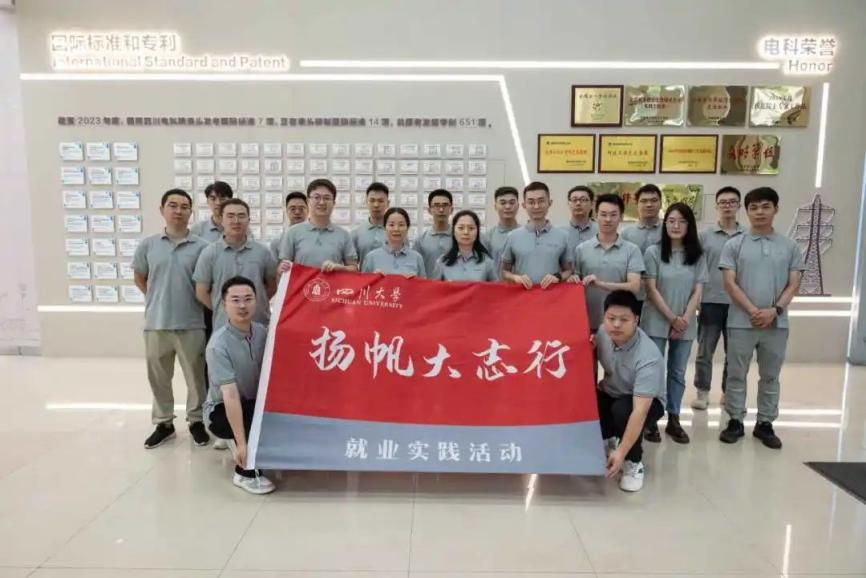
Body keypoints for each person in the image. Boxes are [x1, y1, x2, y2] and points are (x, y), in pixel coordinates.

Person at [719, 187, 804, 449]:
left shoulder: (789, 246)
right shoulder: (734, 245)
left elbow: (794, 283)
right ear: (746, 211)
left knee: (770, 376)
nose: (759, 212)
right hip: (740, 322)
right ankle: (735, 420)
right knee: (736, 374)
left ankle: (765, 423)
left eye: (765, 206)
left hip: (776, 324)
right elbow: (730, 283)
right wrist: (753, 311)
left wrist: (774, 310)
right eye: (753, 207)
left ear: (776, 209)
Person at [133, 189, 210, 449]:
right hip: (156, 323)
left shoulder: (203, 247)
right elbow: (140, 277)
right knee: (158, 377)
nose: (178, 211)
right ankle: (164, 422)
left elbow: (205, 284)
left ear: (191, 212)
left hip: (192, 323)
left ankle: (196, 421)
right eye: (173, 205)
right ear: (162, 210)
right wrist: (158, 298)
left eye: (184, 206)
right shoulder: (148, 245)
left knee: (196, 378)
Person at [640, 203, 708, 444]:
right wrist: (672, 318)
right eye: (671, 221)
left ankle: (674, 418)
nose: (676, 225)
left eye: (681, 221)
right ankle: (650, 420)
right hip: (656, 320)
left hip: (685, 322)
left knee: (677, 372)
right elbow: (651, 289)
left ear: (689, 225)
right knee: (654, 372)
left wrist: (685, 319)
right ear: (665, 224)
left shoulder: (697, 255)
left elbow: (698, 290)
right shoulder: (653, 252)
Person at [204, 276, 275, 494]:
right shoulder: (218, 345)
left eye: (248, 299)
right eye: (235, 300)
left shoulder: (262, 332)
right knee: (252, 420)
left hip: (252, 403)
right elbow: (230, 396)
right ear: (224, 304)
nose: (242, 305)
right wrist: (243, 444)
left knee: (270, 416)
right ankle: (243, 473)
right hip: (221, 409)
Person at [594, 290, 666, 492]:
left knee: (623, 410)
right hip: (612, 392)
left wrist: (622, 452)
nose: (616, 325)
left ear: (636, 320)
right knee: (588, 398)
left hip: (644, 403)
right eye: (611, 318)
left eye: (624, 319)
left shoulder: (648, 356)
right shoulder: (602, 333)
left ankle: (633, 462)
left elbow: (640, 410)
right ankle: (610, 439)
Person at [692, 186, 744, 410]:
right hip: (710, 301)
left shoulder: (747, 236)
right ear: (716, 206)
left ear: (739, 206)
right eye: (723, 202)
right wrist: (696, 297)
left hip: (738, 303)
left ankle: (728, 392)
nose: (727, 206)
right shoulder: (704, 236)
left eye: (732, 202)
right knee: (705, 351)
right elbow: (696, 267)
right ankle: (702, 392)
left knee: (734, 352)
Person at [194, 198, 278, 330]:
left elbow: (272, 286)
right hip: (223, 326)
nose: (236, 221)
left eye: (241, 216)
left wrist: (252, 304)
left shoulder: (263, 252)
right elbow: (201, 292)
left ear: (249, 220)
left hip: (259, 324)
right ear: (221, 219)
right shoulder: (209, 253)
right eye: (230, 216)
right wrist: (225, 308)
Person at [571, 193, 644, 334]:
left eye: (613, 215)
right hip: (587, 322)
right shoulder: (581, 249)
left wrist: (601, 284)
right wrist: (572, 279)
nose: (608, 219)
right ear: (595, 216)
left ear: (621, 217)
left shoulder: (632, 250)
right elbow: (575, 284)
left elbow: (634, 286)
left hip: (619, 325)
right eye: (603, 214)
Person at [500, 181, 573, 289]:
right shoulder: (513, 236)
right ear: (524, 205)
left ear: (550, 203)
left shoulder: (563, 236)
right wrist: (515, 278)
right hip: (522, 295)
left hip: (552, 295)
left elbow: (569, 271)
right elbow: (504, 272)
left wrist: (557, 277)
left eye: (541, 201)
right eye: (531, 202)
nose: (536, 206)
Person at [278, 178, 359, 273]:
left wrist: (339, 268)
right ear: (308, 201)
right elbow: (283, 269)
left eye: (327, 198)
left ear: (334, 203)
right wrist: (281, 269)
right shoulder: (292, 232)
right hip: (303, 283)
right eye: (317, 197)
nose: (322, 202)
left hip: (332, 283)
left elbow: (354, 269)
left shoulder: (344, 235)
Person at [622, 184, 663, 311]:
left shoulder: (669, 231)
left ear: (661, 203)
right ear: (637, 204)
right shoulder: (625, 234)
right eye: (644, 201)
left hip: (663, 294)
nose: (649, 205)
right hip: (634, 295)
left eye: (654, 200)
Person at [433, 210, 498, 282]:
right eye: (461, 228)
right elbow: (436, 288)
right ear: (453, 231)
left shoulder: (487, 262)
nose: (466, 232)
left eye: (471, 228)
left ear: (477, 232)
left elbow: (495, 288)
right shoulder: (442, 262)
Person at [361, 207, 426, 278]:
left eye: (401, 225)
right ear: (384, 227)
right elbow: (364, 283)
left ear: (407, 228)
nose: (396, 229)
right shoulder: (371, 257)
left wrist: (414, 281)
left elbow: (423, 284)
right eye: (391, 225)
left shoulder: (417, 258)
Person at [413, 189, 454, 277]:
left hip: (454, 285)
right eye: (436, 205)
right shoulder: (420, 240)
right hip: (429, 285)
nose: (441, 209)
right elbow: (415, 268)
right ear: (429, 210)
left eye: (445, 205)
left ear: (451, 209)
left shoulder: (459, 238)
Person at [352, 182, 391, 267]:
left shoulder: (396, 232)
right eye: (372, 200)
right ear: (366, 202)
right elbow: (351, 265)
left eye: (380, 201)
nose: (376, 205)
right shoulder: (357, 233)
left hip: (390, 276)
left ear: (388, 203)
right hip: (365, 276)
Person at [482, 186, 520, 271]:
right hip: (496, 279)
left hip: (521, 280)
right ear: (495, 206)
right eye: (503, 203)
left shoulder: (527, 234)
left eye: (512, 203)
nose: (507, 206)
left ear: (518, 206)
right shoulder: (488, 236)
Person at [557, 185, 598, 253]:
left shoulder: (601, 231)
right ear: (568, 204)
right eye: (574, 200)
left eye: (583, 200)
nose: (578, 203)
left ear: (592, 204)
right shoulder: (558, 232)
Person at [269, 191, 308, 259]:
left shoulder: (315, 237)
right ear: (287, 211)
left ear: (308, 210)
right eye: (293, 209)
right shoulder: (277, 240)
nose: (297, 212)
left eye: (301, 208)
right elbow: (274, 264)